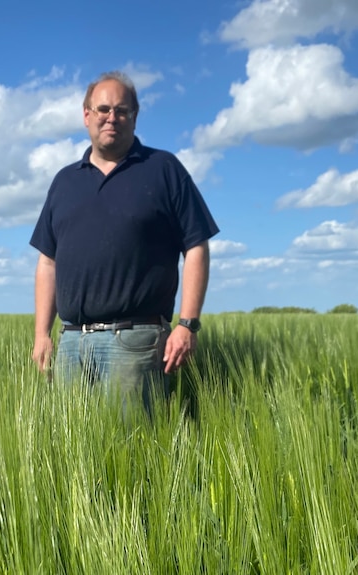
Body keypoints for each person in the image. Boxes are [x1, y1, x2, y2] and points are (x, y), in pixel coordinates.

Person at [29, 70, 219, 410]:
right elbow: (48, 261)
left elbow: (196, 245)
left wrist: (188, 324)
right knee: (74, 453)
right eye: (102, 110)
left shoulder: (163, 169)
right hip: (72, 342)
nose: (111, 118)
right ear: (86, 115)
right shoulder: (64, 182)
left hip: (135, 340)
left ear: (135, 115)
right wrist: (42, 334)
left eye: (121, 110)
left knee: (132, 448)